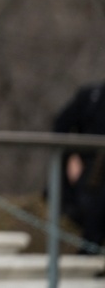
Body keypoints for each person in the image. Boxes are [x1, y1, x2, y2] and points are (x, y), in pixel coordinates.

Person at [53, 80, 105, 262]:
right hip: (92, 170)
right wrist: (72, 155)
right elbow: (61, 124)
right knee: (92, 218)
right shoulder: (92, 96)